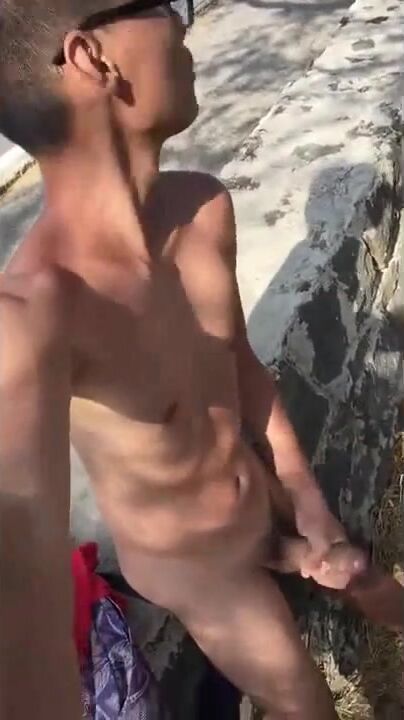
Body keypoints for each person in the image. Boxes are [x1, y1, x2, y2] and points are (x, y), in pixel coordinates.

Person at [0, 2, 402, 719]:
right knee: (307, 704)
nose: (181, 20)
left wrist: (309, 506)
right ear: (92, 58)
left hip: (263, 501)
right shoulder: (37, 315)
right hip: (201, 568)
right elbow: (25, 581)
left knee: (372, 583)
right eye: (155, 4)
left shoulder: (203, 206)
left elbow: (240, 367)